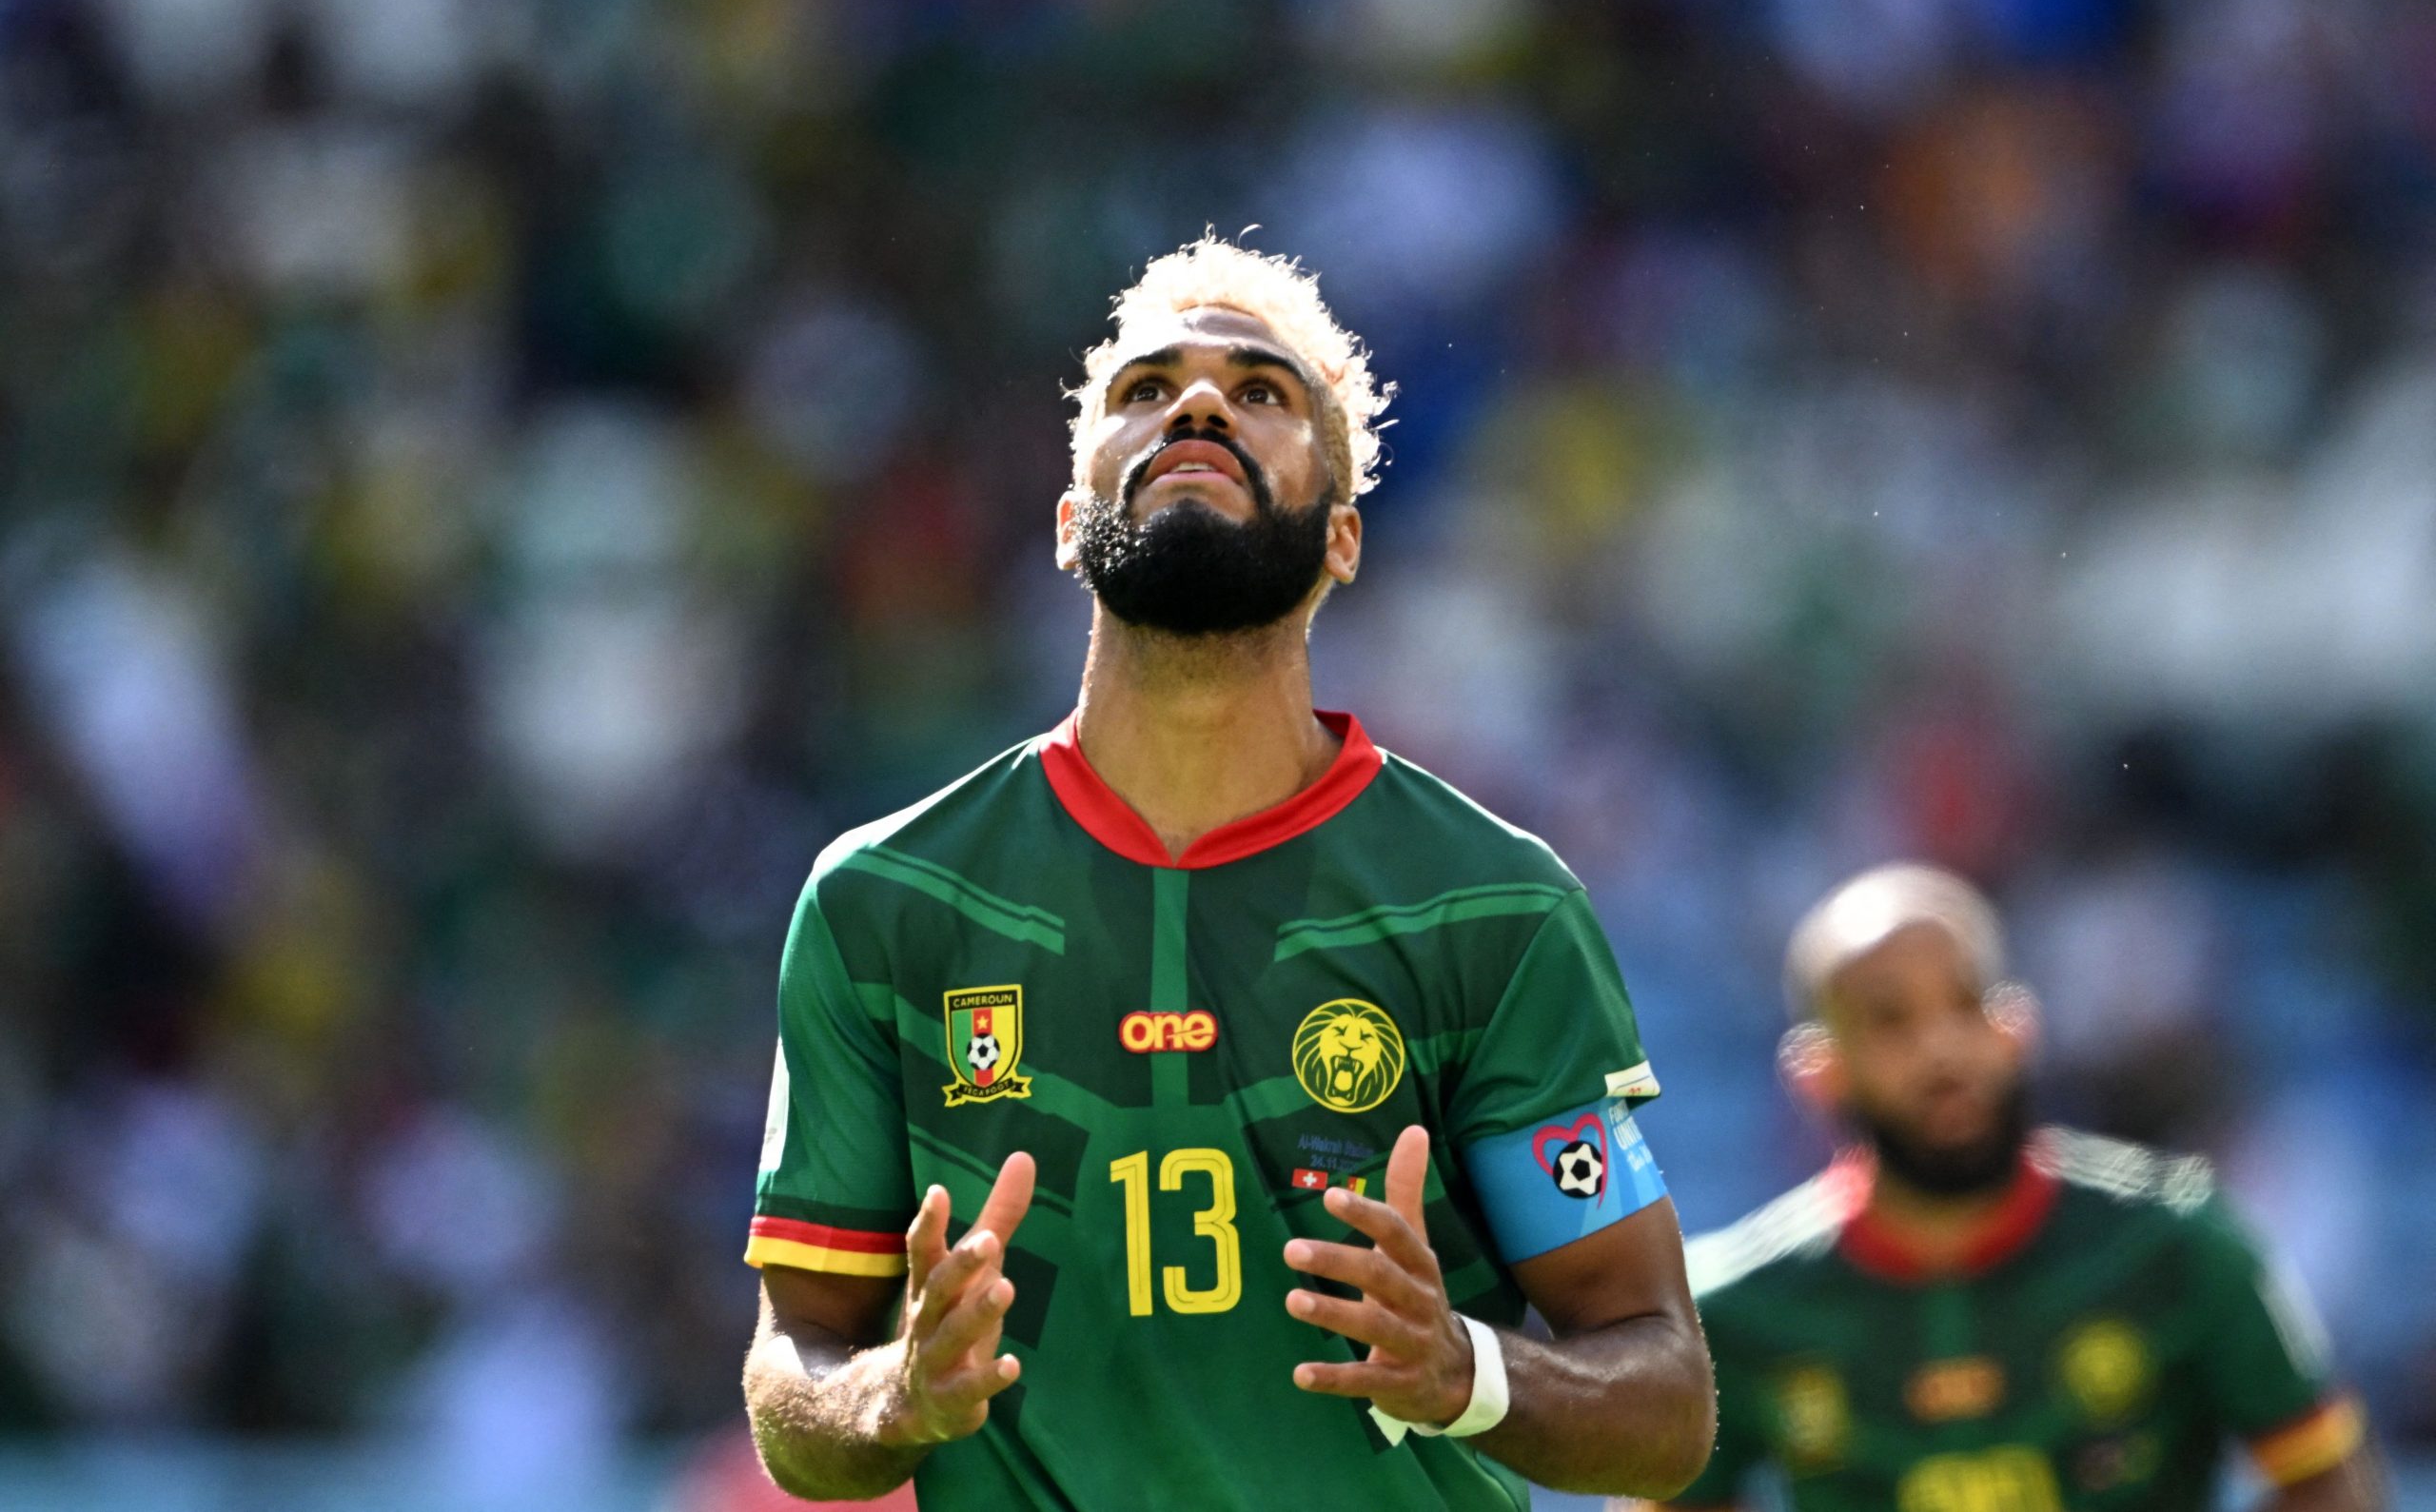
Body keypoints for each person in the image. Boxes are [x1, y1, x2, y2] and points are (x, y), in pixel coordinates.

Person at [738, 235, 1715, 1509]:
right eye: (1145, 390)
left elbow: (1666, 1400)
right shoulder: (886, 902)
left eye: (1262, 393)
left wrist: (1464, 1366)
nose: (1196, 403)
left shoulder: (1493, 905)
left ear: (1346, 536)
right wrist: (894, 1394)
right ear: (1065, 520)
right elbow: (793, 1369)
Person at [1658, 864, 2384, 1512]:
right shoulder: (1734, 1307)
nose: (1942, 1047)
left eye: (1967, 1003)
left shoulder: (2180, 1244)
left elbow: (2329, 1478)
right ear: (1816, 1072)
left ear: (2017, 1027)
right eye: (1890, 1019)